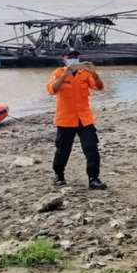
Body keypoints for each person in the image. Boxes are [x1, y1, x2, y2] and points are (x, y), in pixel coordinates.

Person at [47, 49, 107, 190]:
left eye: (75, 56)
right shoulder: (58, 73)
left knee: (91, 148)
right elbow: (52, 90)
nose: (73, 58)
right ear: (64, 58)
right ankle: (59, 176)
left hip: (84, 118)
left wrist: (94, 73)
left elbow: (99, 87)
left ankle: (94, 178)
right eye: (70, 56)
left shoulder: (85, 73)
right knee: (63, 149)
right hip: (65, 119)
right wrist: (65, 74)